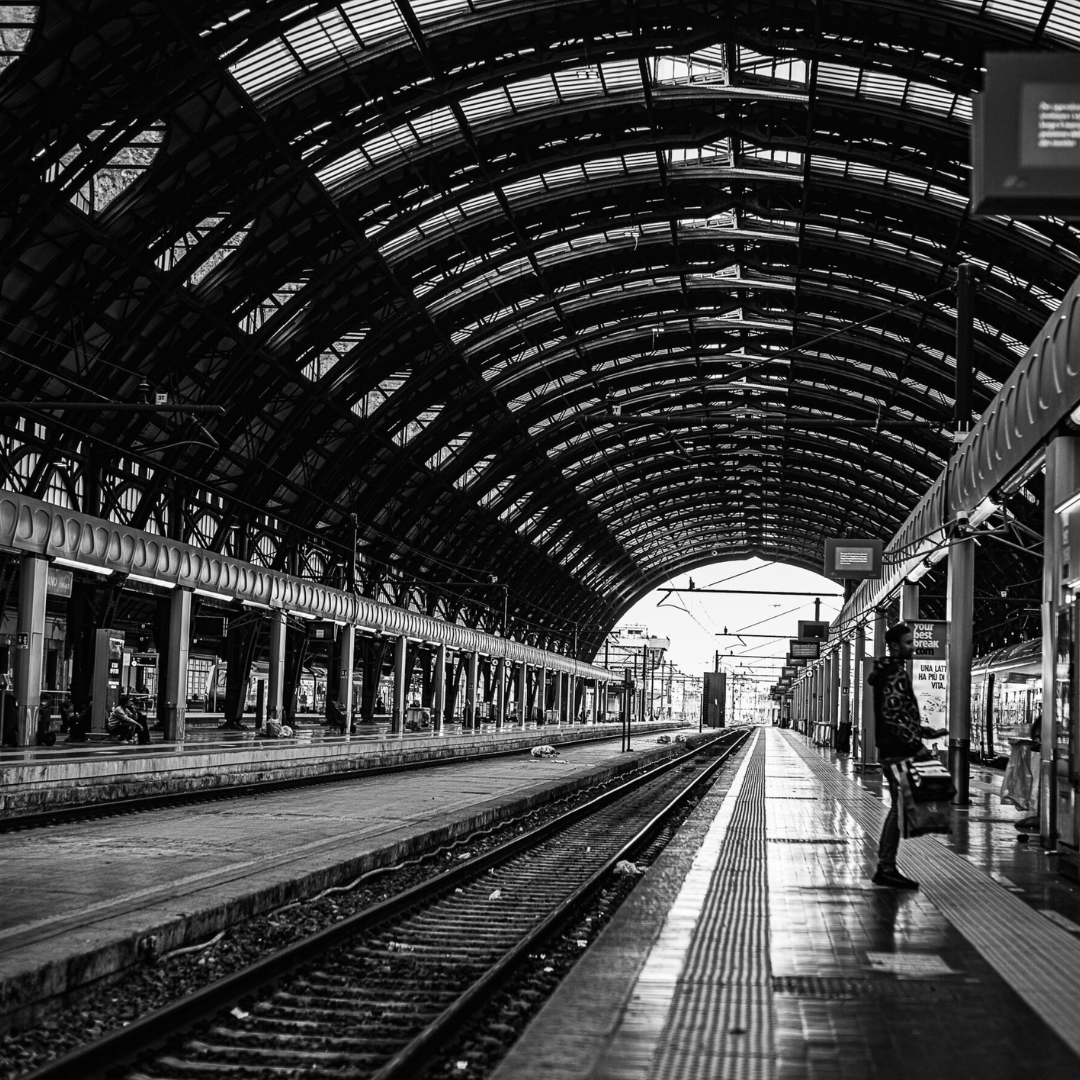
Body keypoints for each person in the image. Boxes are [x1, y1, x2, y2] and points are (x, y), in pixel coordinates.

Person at [867, 622, 948, 889]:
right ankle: (886, 866)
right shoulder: (894, 675)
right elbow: (893, 717)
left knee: (899, 807)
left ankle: (886, 865)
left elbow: (900, 715)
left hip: (894, 749)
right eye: (909, 642)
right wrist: (917, 744)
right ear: (894, 646)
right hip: (898, 751)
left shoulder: (890, 672)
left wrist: (925, 732)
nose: (913, 647)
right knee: (899, 807)